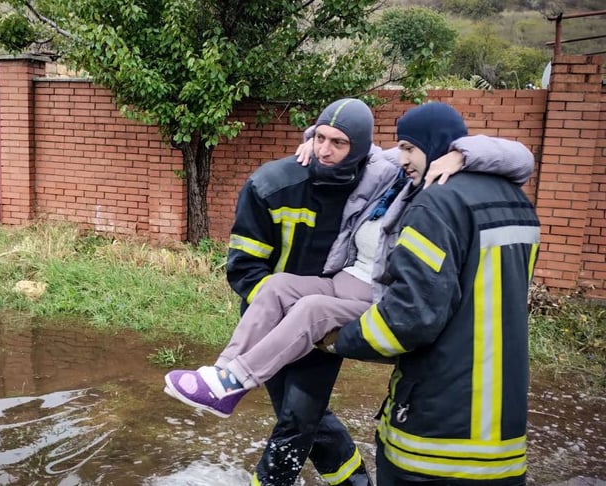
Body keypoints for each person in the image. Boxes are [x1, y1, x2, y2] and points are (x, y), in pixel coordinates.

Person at [163, 98, 534, 486]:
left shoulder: (436, 183)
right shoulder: (391, 169)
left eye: (336, 143)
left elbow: (520, 158)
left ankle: (239, 380)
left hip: (374, 294)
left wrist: (461, 154)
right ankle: (221, 378)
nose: (401, 153)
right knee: (275, 286)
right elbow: (357, 144)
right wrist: (313, 139)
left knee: (310, 323)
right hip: (345, 277)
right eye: (321, 138)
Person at [325, 102, 540, 486]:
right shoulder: (516, 200)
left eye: (408, 147)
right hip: (502, 433)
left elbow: (410, 318)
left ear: (434, 144)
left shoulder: (435, 202)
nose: (402, 158)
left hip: (436, 433)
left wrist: (340, 339)